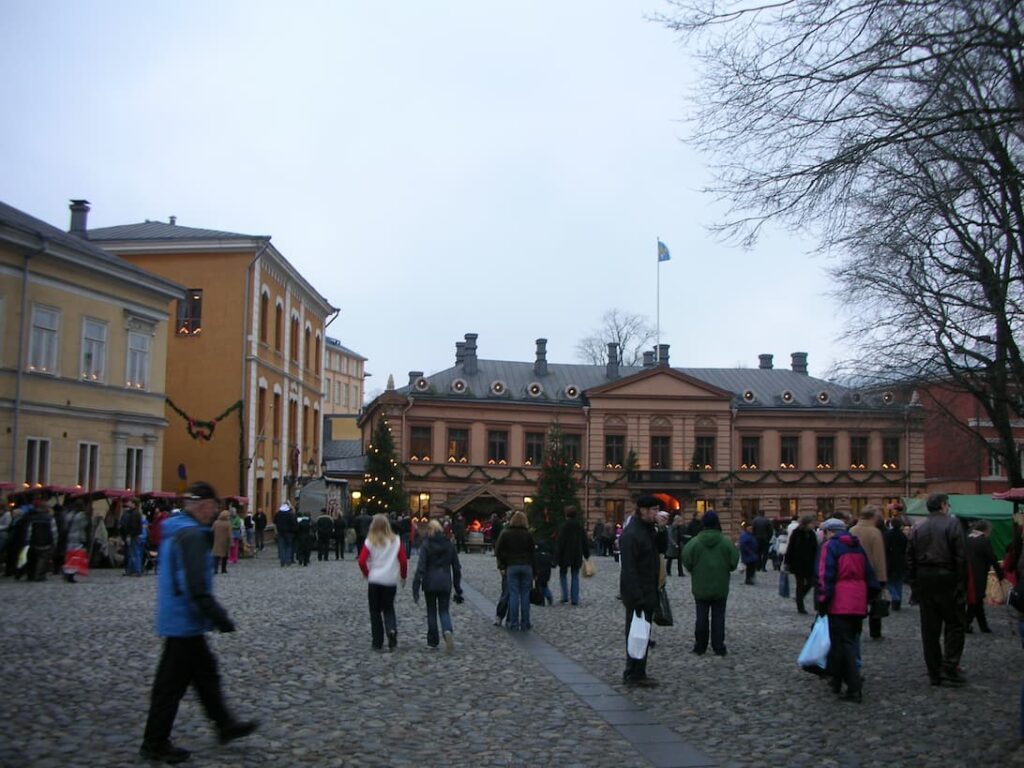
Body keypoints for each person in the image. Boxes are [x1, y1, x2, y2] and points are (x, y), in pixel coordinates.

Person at [139, 481, 257, 764]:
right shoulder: (190, 535)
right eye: (214, 508)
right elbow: (194, 584)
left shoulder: (177, 529)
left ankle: (224, 724)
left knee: (205, 676)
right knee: (171, 686)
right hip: (184, 618)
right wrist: (217, 615)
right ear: (203, 506)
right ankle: (155, 742)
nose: (214, 513)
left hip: (182, 617)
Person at [905, 492, 968, 687]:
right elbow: (961, 556)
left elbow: (909, 558)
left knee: (929, 628)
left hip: (925, 578)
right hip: (947, 576)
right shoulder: (953, 524)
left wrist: (915, 583)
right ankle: (949, 665)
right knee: (955, 623)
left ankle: (934, 670)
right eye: (947, 504)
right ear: (942, 505)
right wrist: (960, 582)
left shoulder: (918, 526)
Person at [816, 517, 879, 703]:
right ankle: (836, 680)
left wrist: (822, 601)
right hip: (858, 602)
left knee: (843, 644)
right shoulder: (857, 546)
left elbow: (825, 575)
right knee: (849, 640)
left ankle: (853, 686)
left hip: (840, 601)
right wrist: (868, 597)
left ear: (829, 532)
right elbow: (870, 575)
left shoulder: (831, 547)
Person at [682, 511, 739, 656]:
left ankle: (700, 646)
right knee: (719, 616)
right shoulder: (726, 542)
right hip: (720, 586)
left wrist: (694, 569)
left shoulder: (694, 542)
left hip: (700, 585)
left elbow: (686, 560)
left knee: (701, 616)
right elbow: (733, 563)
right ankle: (718, 646)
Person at [619, 496, 660, 687]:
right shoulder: (632, 533)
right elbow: (629, 568)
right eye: (653, 510)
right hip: (638, 593)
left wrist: (662, 529)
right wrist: (637, 596)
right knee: (635, 633)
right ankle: (633, 672)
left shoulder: (647, 529)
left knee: (642, 632)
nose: (656, 513)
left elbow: (660, 549)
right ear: (642, 510)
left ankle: (638, 671)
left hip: (647, 589)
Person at [358, 513, 408, 651]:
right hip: (390, 580)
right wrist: (403, 576)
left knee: (374, 611)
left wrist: (367, 574)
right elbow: (403, 561)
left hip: (375, 580)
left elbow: (362, 561)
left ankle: (377, 641)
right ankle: (391, 630)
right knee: (388, 608)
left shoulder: (370, 541)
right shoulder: (396, 540)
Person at [412, 519, 464, 651]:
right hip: (445, 581)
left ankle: (433, 641)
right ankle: (447, 630)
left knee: (431, 612)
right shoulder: (449, 544)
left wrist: (416, 586)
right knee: (444, 610)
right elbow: (456, 568)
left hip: (430, 582)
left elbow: (421, 567)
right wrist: (457, 588)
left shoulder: (426, 544)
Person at [850, 506, 888, 640]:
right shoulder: (874, 532)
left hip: (854, 573)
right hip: (872, 574)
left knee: (857, 605)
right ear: (873, 517)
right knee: (875, 604)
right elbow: (879, 557)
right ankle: (875, 632)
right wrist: (882, 578)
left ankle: (855, 630)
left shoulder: (852, 530)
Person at [495, 511, 535, 631]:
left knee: (513, 595)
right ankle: (525, 622)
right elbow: (533, 553)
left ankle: (513, 622)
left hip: (512, 566)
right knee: (525, 595)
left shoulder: (506, 533)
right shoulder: (528, 534)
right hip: (526, 566)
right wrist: (535, 570)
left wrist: (502, 566)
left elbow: (498, 551)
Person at [965, 519, 1003, 634]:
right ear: (986, 530)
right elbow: (992, 558)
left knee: (976, 601)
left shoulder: (966, 538)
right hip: (978, 574)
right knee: (976, 600)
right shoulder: (984, 541)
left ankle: (983, 626)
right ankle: (966, 624)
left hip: (966, 573)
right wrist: (1000, 574)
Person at [555, 506, 590, 605]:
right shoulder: (579, 526)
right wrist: (586, 554)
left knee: (563, 575)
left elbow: (560, 543)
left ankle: (565, 596)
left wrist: (556, 557)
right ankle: (574, 598)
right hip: (576, 554)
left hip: (565, 555)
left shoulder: (564, 526)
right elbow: (584, 541)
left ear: (566, 514)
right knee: (575, 575)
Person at [784, 515, 818, 614]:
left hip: (809, 563)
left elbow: (814, 548)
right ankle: (800, 606)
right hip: (797, 563)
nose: (813, 525)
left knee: (811, 582)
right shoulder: (797, 533)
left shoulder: (812, 534)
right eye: (812, 523)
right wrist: (787, 562)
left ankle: (800, 596)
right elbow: (790, 547)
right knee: (799, 584)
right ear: (807, 523)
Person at [884, 516, 909, 610]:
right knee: (899, 583)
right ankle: (897, 603)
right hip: (901, 561)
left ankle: (895, 597)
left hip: (890, 561)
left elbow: (885, 548)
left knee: (889, 582)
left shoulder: (888, 534)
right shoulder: (903, 536)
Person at [212, 509, 231, 575]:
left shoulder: (216, 522)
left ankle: (215, 570)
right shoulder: (227, 524)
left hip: (216, 542)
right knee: (225, 557)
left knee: (216, 557)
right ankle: (223, 570)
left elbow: (212, 531)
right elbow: (229, 535)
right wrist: (231, 542)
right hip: (225, 542)